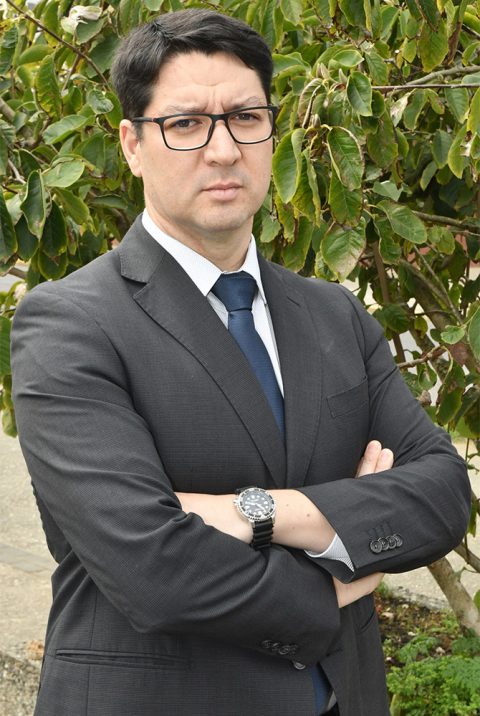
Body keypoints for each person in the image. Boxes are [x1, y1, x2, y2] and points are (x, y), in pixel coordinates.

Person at [10, 9, 470, 716]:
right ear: (132, 145)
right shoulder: (70, 323)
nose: (223, 150)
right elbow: (153, 570)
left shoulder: (333, 313)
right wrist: (334, 575)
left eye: (246, 118)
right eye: (186, 124)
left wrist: (254, 512)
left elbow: (441, 493)